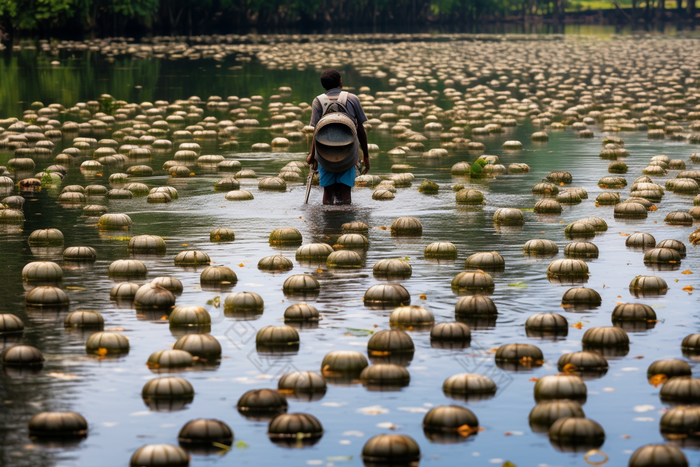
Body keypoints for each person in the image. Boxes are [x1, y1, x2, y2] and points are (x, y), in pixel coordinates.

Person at [306, 69, 370, 205]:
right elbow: (360, 130)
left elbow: (316, 132)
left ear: (323, 85)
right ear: (340, 81)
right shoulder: (353, 99)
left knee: (327, 193)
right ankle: (346, 221)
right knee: (345, 193)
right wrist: (366, 156)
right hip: (348, 154)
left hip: (324, 155)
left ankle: (328, 223)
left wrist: (313, 156)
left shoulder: (318, 101)